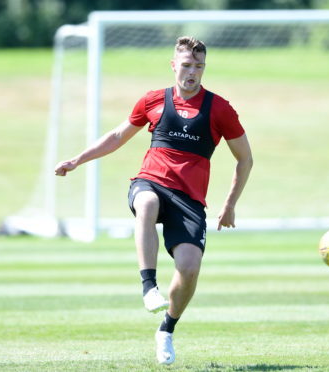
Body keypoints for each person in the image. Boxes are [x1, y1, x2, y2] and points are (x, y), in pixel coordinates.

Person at [54, 36, 253, 365]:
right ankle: (149, 286)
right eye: (187, 65)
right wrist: (77, 160)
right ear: (174, 65)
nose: (192, 72)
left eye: (199, 66)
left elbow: (245, 159)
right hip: (151, 182)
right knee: (146, 204)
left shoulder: (219, 109)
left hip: (189, 199)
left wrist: (230, 204)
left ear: (205, 68)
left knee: (189, 270)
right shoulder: (153, 100)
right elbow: (117, 136)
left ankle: (166, 329)